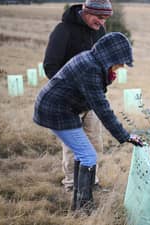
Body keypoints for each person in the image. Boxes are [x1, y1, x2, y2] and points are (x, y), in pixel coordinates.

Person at [34, 32, 143, 214]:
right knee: (88, 156)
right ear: (110, 56)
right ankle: (83, 209)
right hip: (57, 111)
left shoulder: (92, 60)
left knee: (83, 154)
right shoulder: (90, 69)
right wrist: (125, 136)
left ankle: (78, 202)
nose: (122, 66)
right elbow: (102, 109)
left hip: (63, 108)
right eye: (120, 61)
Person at [43, 0, 113, 191]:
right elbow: (50, 66)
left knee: (94, 142)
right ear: (86, 11)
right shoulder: (63, 30)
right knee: (73, 146)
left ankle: (92, 183)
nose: (102, 22)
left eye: (105, 19)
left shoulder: (99, 31)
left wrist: (107, 75)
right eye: (99, 17)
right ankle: (72, 185)